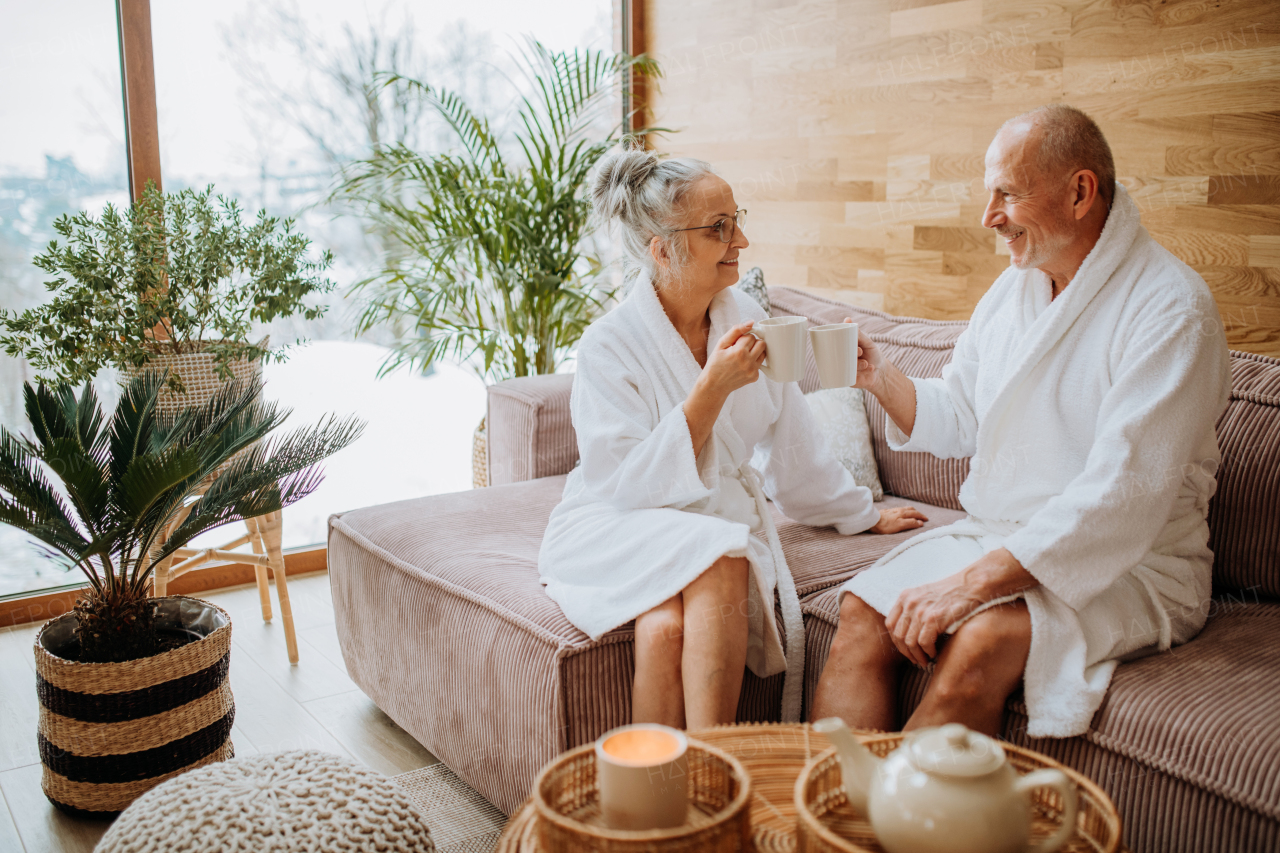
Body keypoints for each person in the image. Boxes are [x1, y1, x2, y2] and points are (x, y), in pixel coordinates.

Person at [810, 104, 1231, 739]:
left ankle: (899, 828)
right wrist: (881, 379)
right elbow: (963, 414)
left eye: (1006, 192)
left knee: (981, 639)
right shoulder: (1014, 291)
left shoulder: (1171, 308)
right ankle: (830, 821)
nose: (989, 217)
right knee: (862, 613)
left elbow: (1124, 496)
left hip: (1133, 563)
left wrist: (969, 586)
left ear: (1080, 192)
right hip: (1001, 535)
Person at [538, 148, 928, 728]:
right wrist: (709, 392)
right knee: (725, 549)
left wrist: (859, 513)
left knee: (664, 628)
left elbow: (792, 441)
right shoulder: (608, 345)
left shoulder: (741, 313)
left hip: (692, 522)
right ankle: (718, 768)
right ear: (663, 248)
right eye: (719, 228)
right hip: (614, 521)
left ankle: (659, 803)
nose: (741, 240)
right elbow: (622, 485)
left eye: (736, 218)